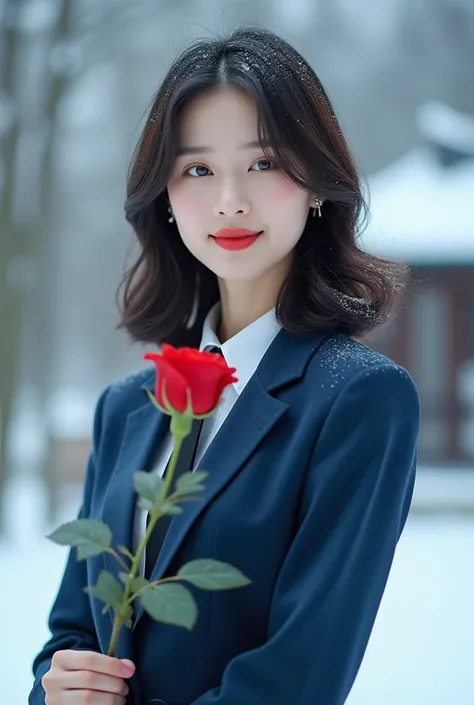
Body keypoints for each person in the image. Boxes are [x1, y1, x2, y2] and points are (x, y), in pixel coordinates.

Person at [29, 25, 421, 705]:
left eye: (265, 163)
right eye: (198, 168)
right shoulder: (125, 407)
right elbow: (71, 631)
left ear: (317, 184)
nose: (231, 199)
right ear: (167, 199)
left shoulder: (361, 399)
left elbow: (299, 677)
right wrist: (57, 683)